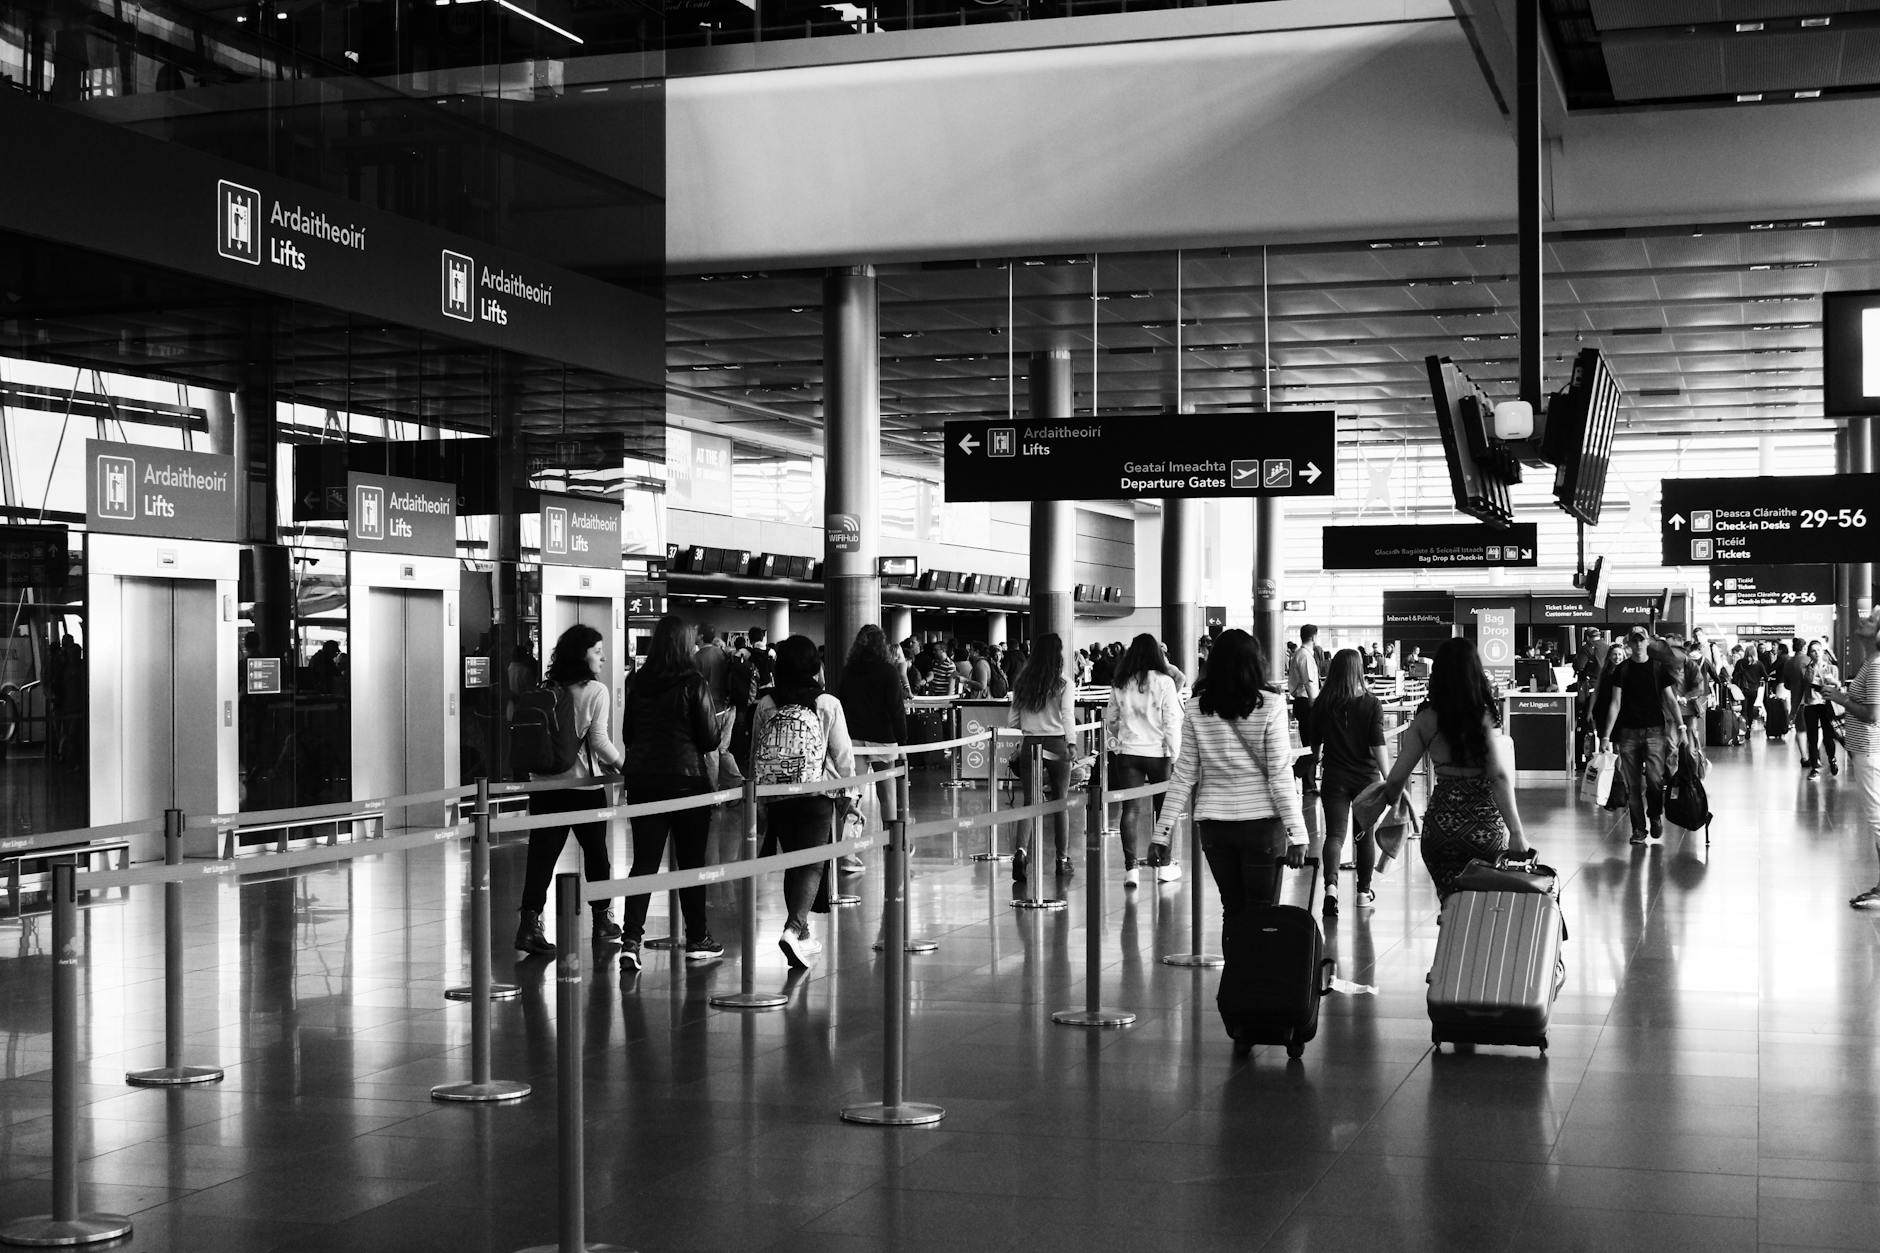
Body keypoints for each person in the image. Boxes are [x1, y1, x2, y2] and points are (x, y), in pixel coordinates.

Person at [1153, 629, 1307, 932]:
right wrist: (1297, 834)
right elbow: (1279, 774)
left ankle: (1236, 979)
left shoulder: (1198, 707)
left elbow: (1184, 774)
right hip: (1261, 824)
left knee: (1232, 912)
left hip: (1215, 826)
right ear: (1255, 662)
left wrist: (1162, 834)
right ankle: (1257, 980)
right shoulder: (1270, 705)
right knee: (1263, 918)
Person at [1366, 637, 1530, 899]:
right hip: (1484, 831)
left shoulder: (1425, 719)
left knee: (1450, 906)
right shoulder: (1483, 717)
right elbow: (1498, 777)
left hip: (1439, 832)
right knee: (1482, 912)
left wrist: (1388, 803)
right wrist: (1517, 832)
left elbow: (1396, 778)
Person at [615, 614, 723, 972]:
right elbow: (709, 739)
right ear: (682, 644)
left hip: (644, 781)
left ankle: (631, 941)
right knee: (691, 862)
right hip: (687, 782)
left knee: (644, 862)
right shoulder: (694, 682)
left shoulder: (637, 681)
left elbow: (629, 733)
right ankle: (698, 937)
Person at [514, 624, 627, 958]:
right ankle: (603, 919)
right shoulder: (595, 691)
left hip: (544, 785)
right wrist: (622, 765)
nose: (602, 657)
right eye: (596, 650)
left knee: (541, 858)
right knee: (596, 855)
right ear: (582, 654)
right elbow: (598, 741)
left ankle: (529, 925)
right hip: (581, 787)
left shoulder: (547, 687)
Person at [751, 635, 856, 969]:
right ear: (814, 665)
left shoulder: (766, 703)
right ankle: (794, 928)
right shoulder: (827, 703)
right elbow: (842, 757)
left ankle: (803, 931)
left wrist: (759, 800)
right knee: (812, 864)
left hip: (777, 794)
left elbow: (755, 751)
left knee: (793, 862)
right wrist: (849, 797)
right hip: (816, 794)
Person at [1309, 648, 1389, 918]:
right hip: (1366, 778)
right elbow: (1377, 744)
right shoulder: (1370, 703)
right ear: (1358, 670)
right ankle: (1363, 894)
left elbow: (1315, 745)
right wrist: (1391, 779)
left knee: (1334, 836)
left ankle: (1330, 889)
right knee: (1363, 836)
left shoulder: (1324, 702)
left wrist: (1319, 753)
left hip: (1334, 776)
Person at [1102, 633, 1183, 887]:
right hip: (1159, 754)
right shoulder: (1165, 682)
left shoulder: (1120, 682)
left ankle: (1131, 870)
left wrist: (1124, 736)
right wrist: (1175, 754)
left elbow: (1112, 720)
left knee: (1130, 810)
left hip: (1129, 752)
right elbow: (1171, 721)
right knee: (1165, 811)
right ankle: (1164, 866)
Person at [1597, 626, 1685, 845]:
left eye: (1641, 640)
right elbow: (1615, 704)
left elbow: (1670, 700)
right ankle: (1638, 829)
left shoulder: (1657, 668)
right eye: (1634, 641)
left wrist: (1682, 726)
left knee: (1655, 780)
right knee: (1633, 785)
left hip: (1655, 731)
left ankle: (1654, 815)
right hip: (1627, 733)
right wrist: (1605, 737)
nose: (1637, 644)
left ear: (1647, 642)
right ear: (1629, 643)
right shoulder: (1622, 670)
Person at [836, 624, 907, 871]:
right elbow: (896, 711)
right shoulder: (888, 671)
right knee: (887, 796)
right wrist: (903, 743)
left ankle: (847, 853)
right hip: (883, 739)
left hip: (854, 740)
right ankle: (893, 846)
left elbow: (841, 705)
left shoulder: (848, 671)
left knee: (852, 794)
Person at [1007, 632, 1079, 878]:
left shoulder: (1023, 682)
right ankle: (1062, 859)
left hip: (1030, 743)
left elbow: (1013, 720)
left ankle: (1020, 852)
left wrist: (1031, 728)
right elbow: (1068, 714)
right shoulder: (1064, 684)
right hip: (1057, 743)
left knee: (1029, 801)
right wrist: (1071, 742)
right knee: (1060, 802)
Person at [1821, 610, 1880, 908]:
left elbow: (1873, 715)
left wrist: (1840, 698)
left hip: (1870, 749)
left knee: (1877, 817)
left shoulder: (1876, 666)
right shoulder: (1870, 663)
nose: (1861, 621)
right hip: (1866, 748)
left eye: (1869, 620)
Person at [1287, 624, 1322, 796]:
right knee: (1313, 746)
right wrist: (1316, 707)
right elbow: (1309, 684)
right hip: (1307, 703)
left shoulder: (1302, 654)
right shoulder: (1305, 656)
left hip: (1304, 702)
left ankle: (1309, 784)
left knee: (1310, 745)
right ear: (1314, 637)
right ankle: (1293, 772)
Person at [1802, 639, 1842, 779]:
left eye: (1818, 650)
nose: (1817, 653)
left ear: (1823, 651)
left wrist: (1834, 682)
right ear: (1809, 654)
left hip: (1827, 705)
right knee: (1812, 738)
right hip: (1811, 705)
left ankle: (1832, 759)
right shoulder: (1807, 669)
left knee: (1828, 737)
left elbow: (1837, 687)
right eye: (1813, 651)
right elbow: (1807, 684)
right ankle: (1815, 767)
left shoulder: (1832, 669)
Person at [693, 624, 728, 706]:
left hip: (703, 702)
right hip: (721, 701)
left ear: (701, 636)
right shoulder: (722, 654)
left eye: (695, 633)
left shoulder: (696, 657)